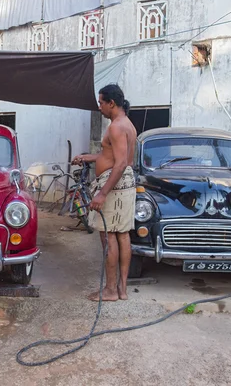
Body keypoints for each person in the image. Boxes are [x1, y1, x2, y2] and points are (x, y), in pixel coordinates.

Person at [72, 84, 137, 301]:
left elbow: (118, 165)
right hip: (125, 185)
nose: (99, 107)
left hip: (114, 186)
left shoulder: (116, 127)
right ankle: (122, 289)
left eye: (101, 102)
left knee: (108, 236)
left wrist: (102, 194)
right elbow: (110, 155)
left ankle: (109, 291)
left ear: (111, 103)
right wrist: (87, 157)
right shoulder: (127, 124)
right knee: (123, 235)